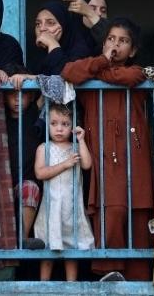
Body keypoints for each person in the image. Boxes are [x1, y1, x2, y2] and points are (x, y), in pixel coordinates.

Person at [61, 17, 153, 281]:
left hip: (133, 155)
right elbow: (69, 72)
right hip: (104, 156)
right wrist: (101, 63)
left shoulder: (136, 73)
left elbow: (133, 75)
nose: (116, 45)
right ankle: (110, 273)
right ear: (103, 43)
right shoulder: (91, 72)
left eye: (123, 41)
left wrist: (98, 72)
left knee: (138, 209)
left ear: (132, 50)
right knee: (110, 210)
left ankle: (138, 278)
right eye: (111, 39)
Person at [33, 104, 94, 281]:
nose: (59, 128)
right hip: (52, 205)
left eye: (65, 124)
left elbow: (87, 164)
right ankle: (43, 287)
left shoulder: (75, 148)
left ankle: (71, 287)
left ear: (73, 126)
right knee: (48, 247)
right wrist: (64, 165)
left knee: (71, 246)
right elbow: (40, 173)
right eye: (54, 123)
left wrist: (81, 140)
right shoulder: (44, 148)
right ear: (47, 124)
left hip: (71, 206)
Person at [1, 63, 45, 248]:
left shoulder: (34, 113)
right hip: (1, 182)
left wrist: (30, 80)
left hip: (24, 181)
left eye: (23, 94)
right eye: (12, 94)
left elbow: (54, 82)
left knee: (30, 189)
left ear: (32, 95)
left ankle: (22, 239)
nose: (17, 100)